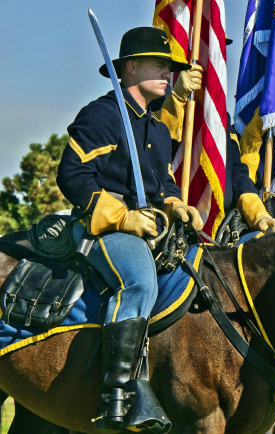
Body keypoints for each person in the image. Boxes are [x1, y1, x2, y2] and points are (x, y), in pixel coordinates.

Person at [57, 27, 200, 432]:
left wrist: (175, 204)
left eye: (169, 67)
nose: (167, 73)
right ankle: (119, 395)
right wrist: (122, 217)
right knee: (138, 280)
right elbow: (71, 174)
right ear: (130, 68)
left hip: (148, 228)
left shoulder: (157, 127)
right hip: (100, 230)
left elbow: (162, 183)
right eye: (158, 64)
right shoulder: (102, 115)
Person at [156, 42, 275, 236]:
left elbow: (237, 172)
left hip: (222, 227)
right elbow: (160, 149)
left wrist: (258, 214)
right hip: (174, 225)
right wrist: (178, 99)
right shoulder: (156, 106)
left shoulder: (221, 117)